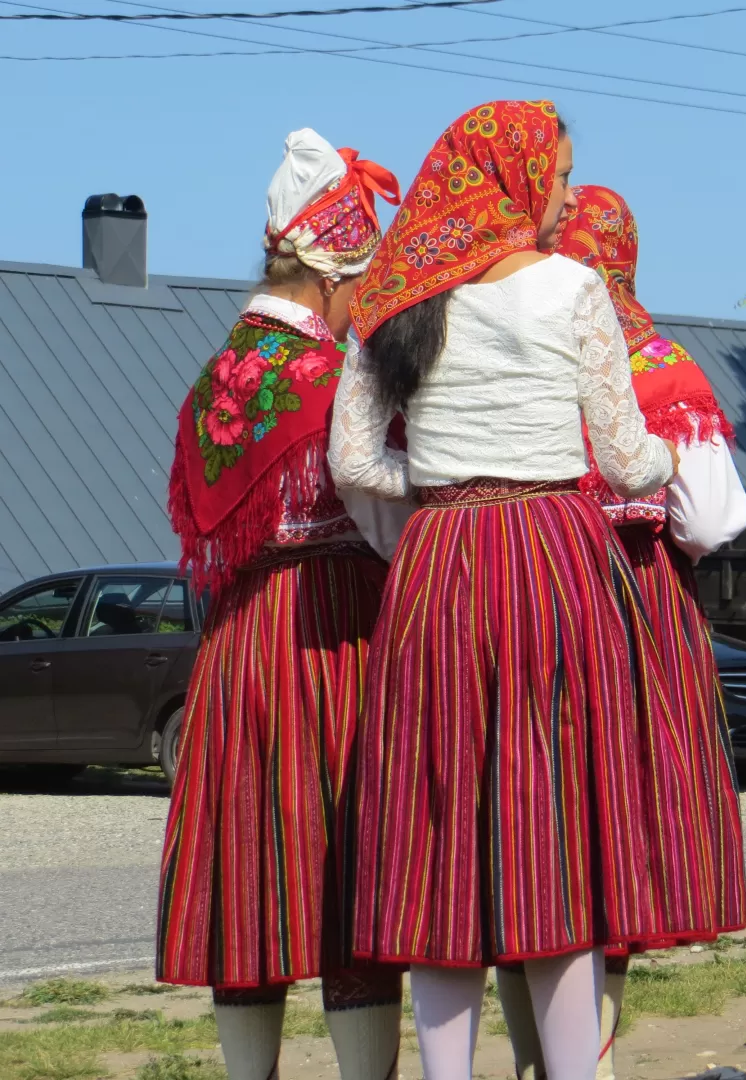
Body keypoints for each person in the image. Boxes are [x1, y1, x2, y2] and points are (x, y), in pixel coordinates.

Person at [329, 101, 719, 1080]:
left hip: (440, 569)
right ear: (511, 183)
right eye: (553, 176)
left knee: (439, 840)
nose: (562, 197)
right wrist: (676, 454)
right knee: (557, 838)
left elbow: (349, 458)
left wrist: (420, 511)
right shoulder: (577, 288)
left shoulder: (399, 293)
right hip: (550, 560)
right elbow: (628, 465)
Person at [158, 129, 404, 1080]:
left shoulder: (211, 380)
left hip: (235, 643)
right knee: (344, 865)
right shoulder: (332, 377)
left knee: (247, 870)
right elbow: (388, 514)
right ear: (334, 273)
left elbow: (199, 517)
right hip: (331, 634)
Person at [493, 184, 746, 1080]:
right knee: (615, 840)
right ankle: (589, 1060)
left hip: (517, 600)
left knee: (529, 837)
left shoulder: (514, 345)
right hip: (634, 613)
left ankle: (539, 1061)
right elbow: (713, 520)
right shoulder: (663, 363)